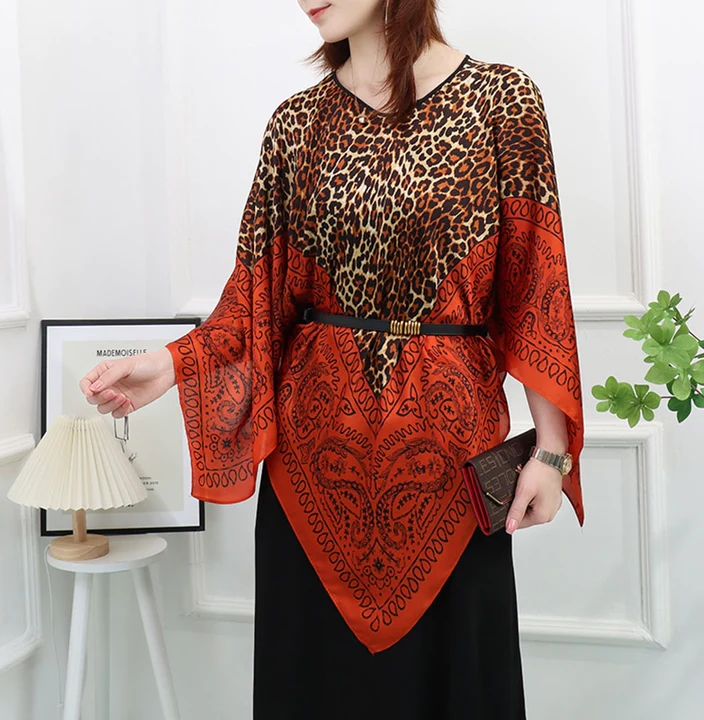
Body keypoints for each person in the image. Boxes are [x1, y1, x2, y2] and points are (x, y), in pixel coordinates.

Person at [80, 1, 585, 717]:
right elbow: (256, 297)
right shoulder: (297, 125)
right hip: (311, 474)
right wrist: (166, 366)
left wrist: (553, 453)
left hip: (451, 467)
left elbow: (536, 284)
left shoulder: (502, 101)